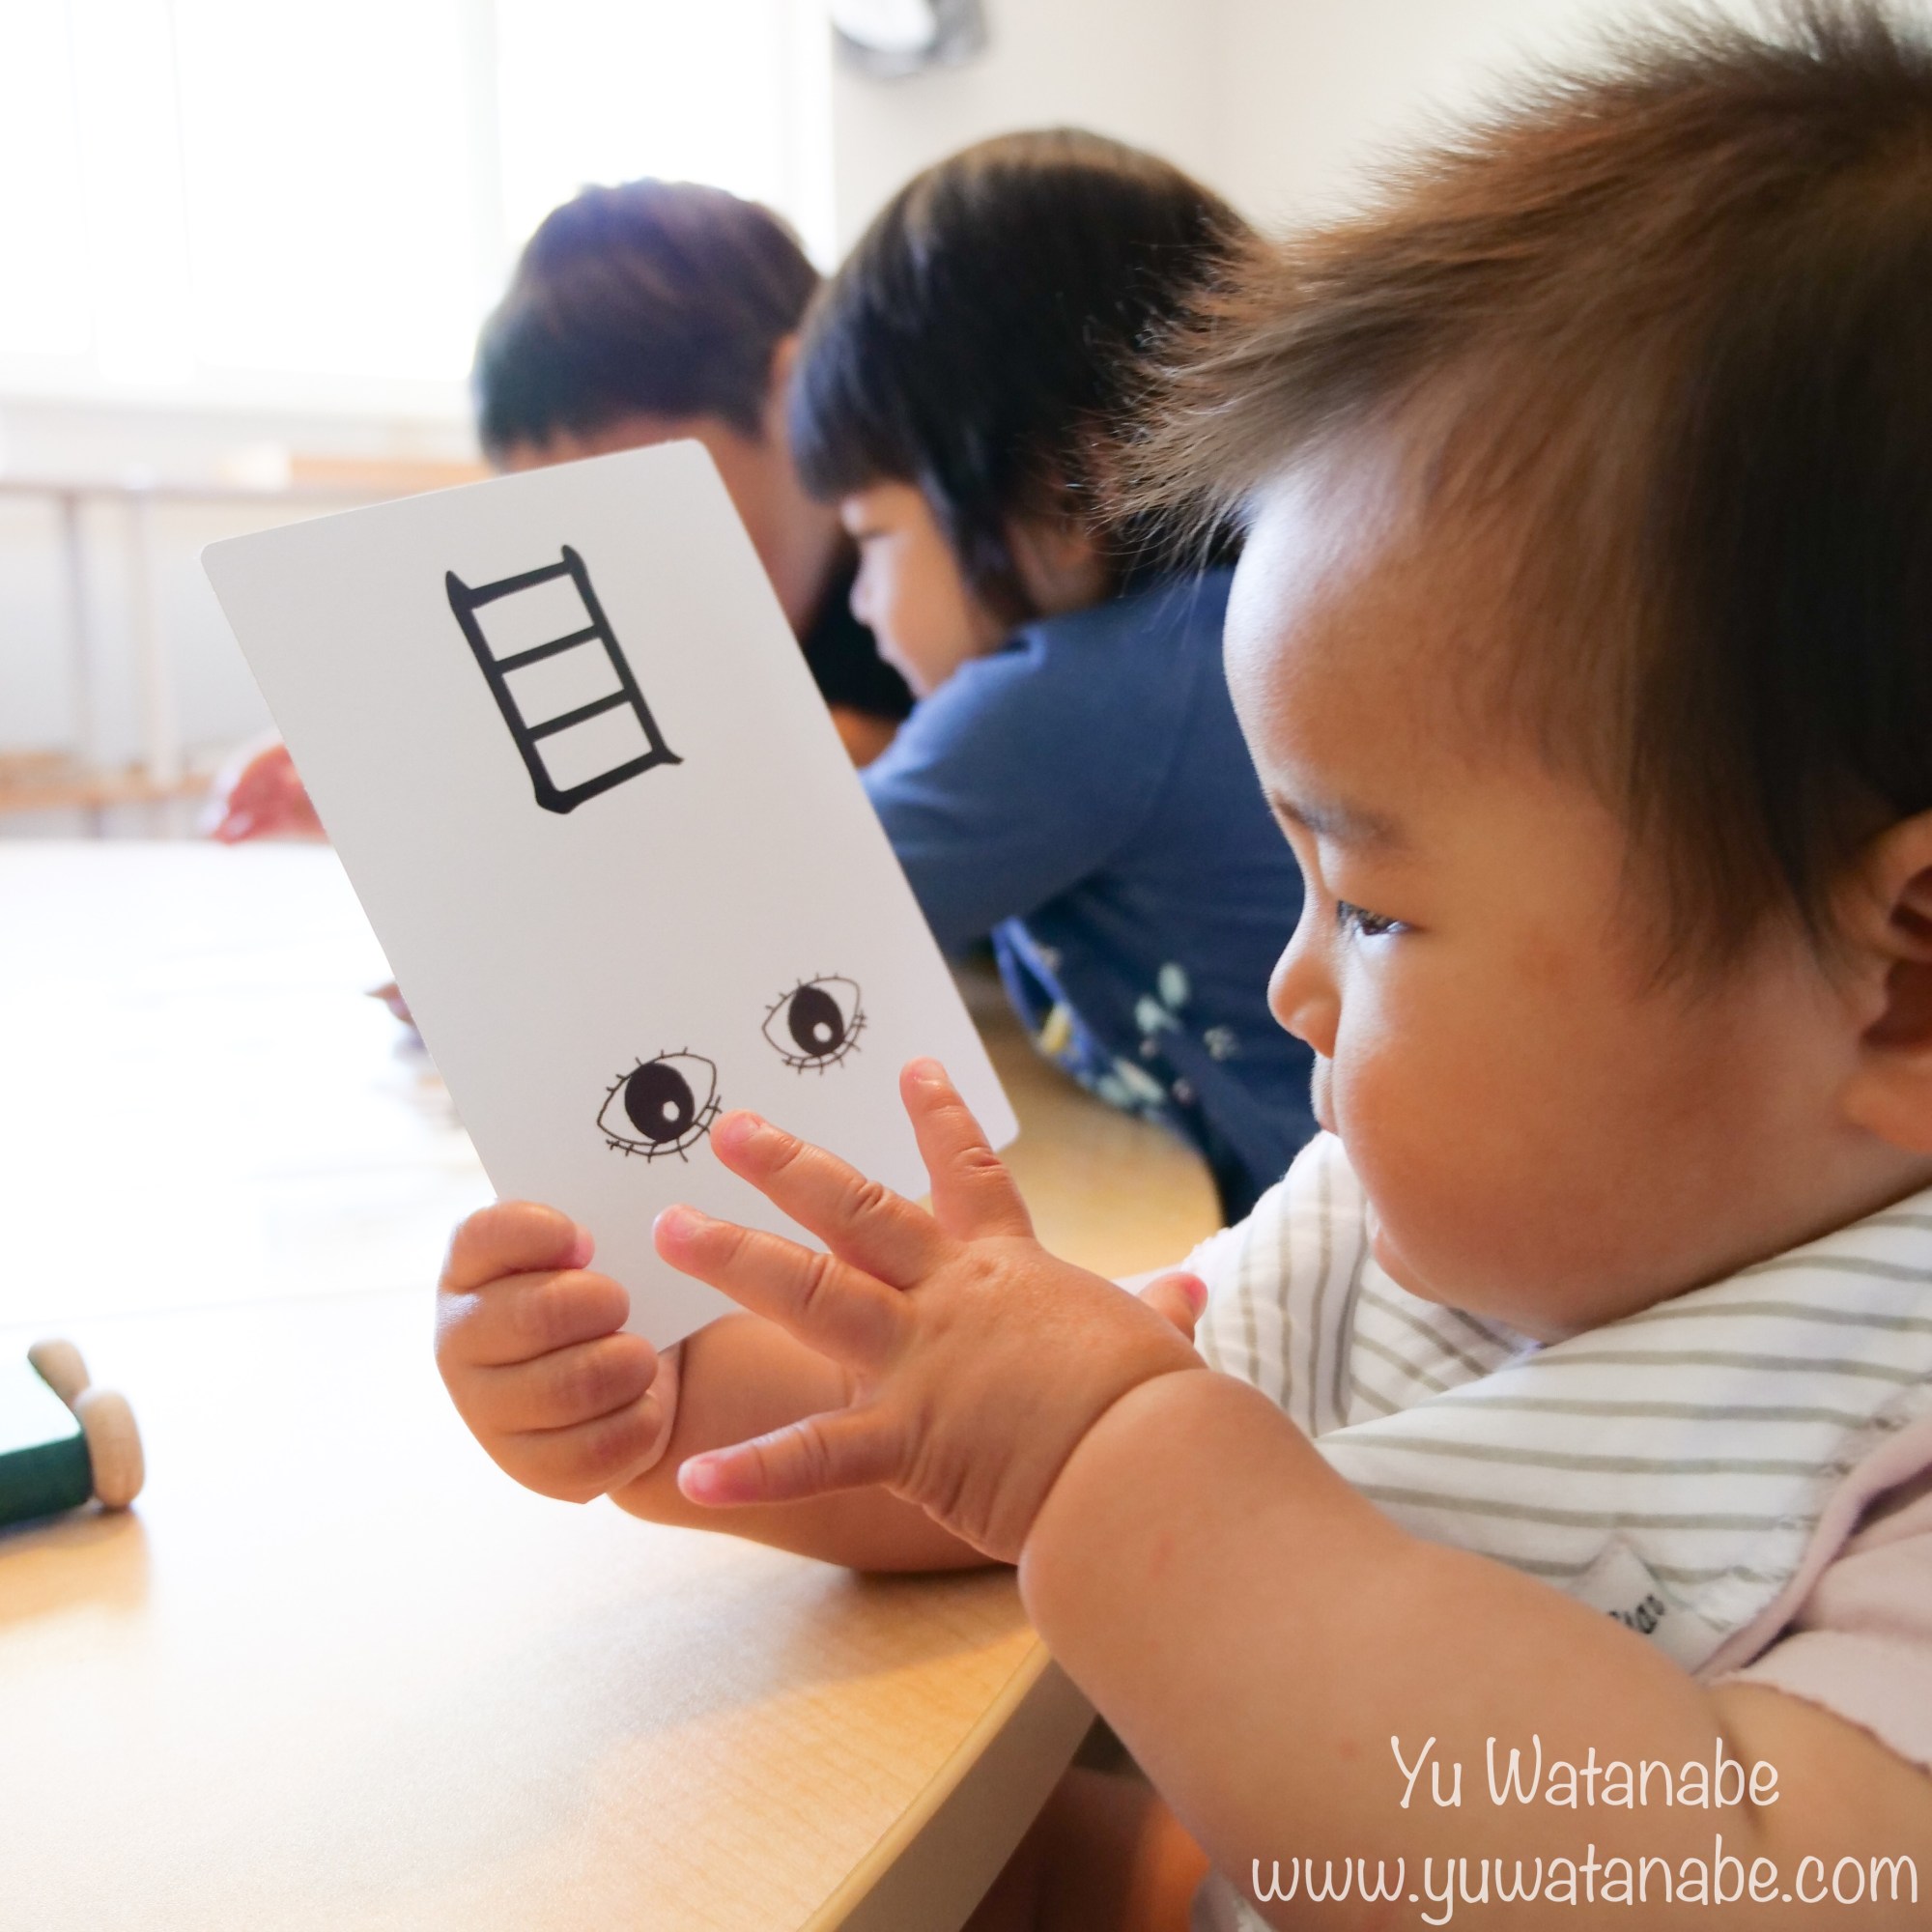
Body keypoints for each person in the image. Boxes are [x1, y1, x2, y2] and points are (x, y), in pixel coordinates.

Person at [438, 7, 1932, 1927]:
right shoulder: (1373, 1252)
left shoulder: (1890, 1433)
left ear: (1900, 984)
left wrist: (1120, 1455)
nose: (1293, 985)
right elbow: (965, 1421)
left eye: (1371, 910)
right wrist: (663, 1396)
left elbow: (1734, 1877)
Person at [795, 129, 1318, 1219]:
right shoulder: (1223, 634)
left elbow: (773, 922)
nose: (863, 603)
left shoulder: (1073, 698)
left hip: (1335, 1271)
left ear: (1069, 489)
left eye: (874, 538)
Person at [206, 179, 911, 842]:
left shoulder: (922, 574)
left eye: (643, 520)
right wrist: (384, 782)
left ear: (800, 401)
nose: (615, 588)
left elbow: (914, 750)